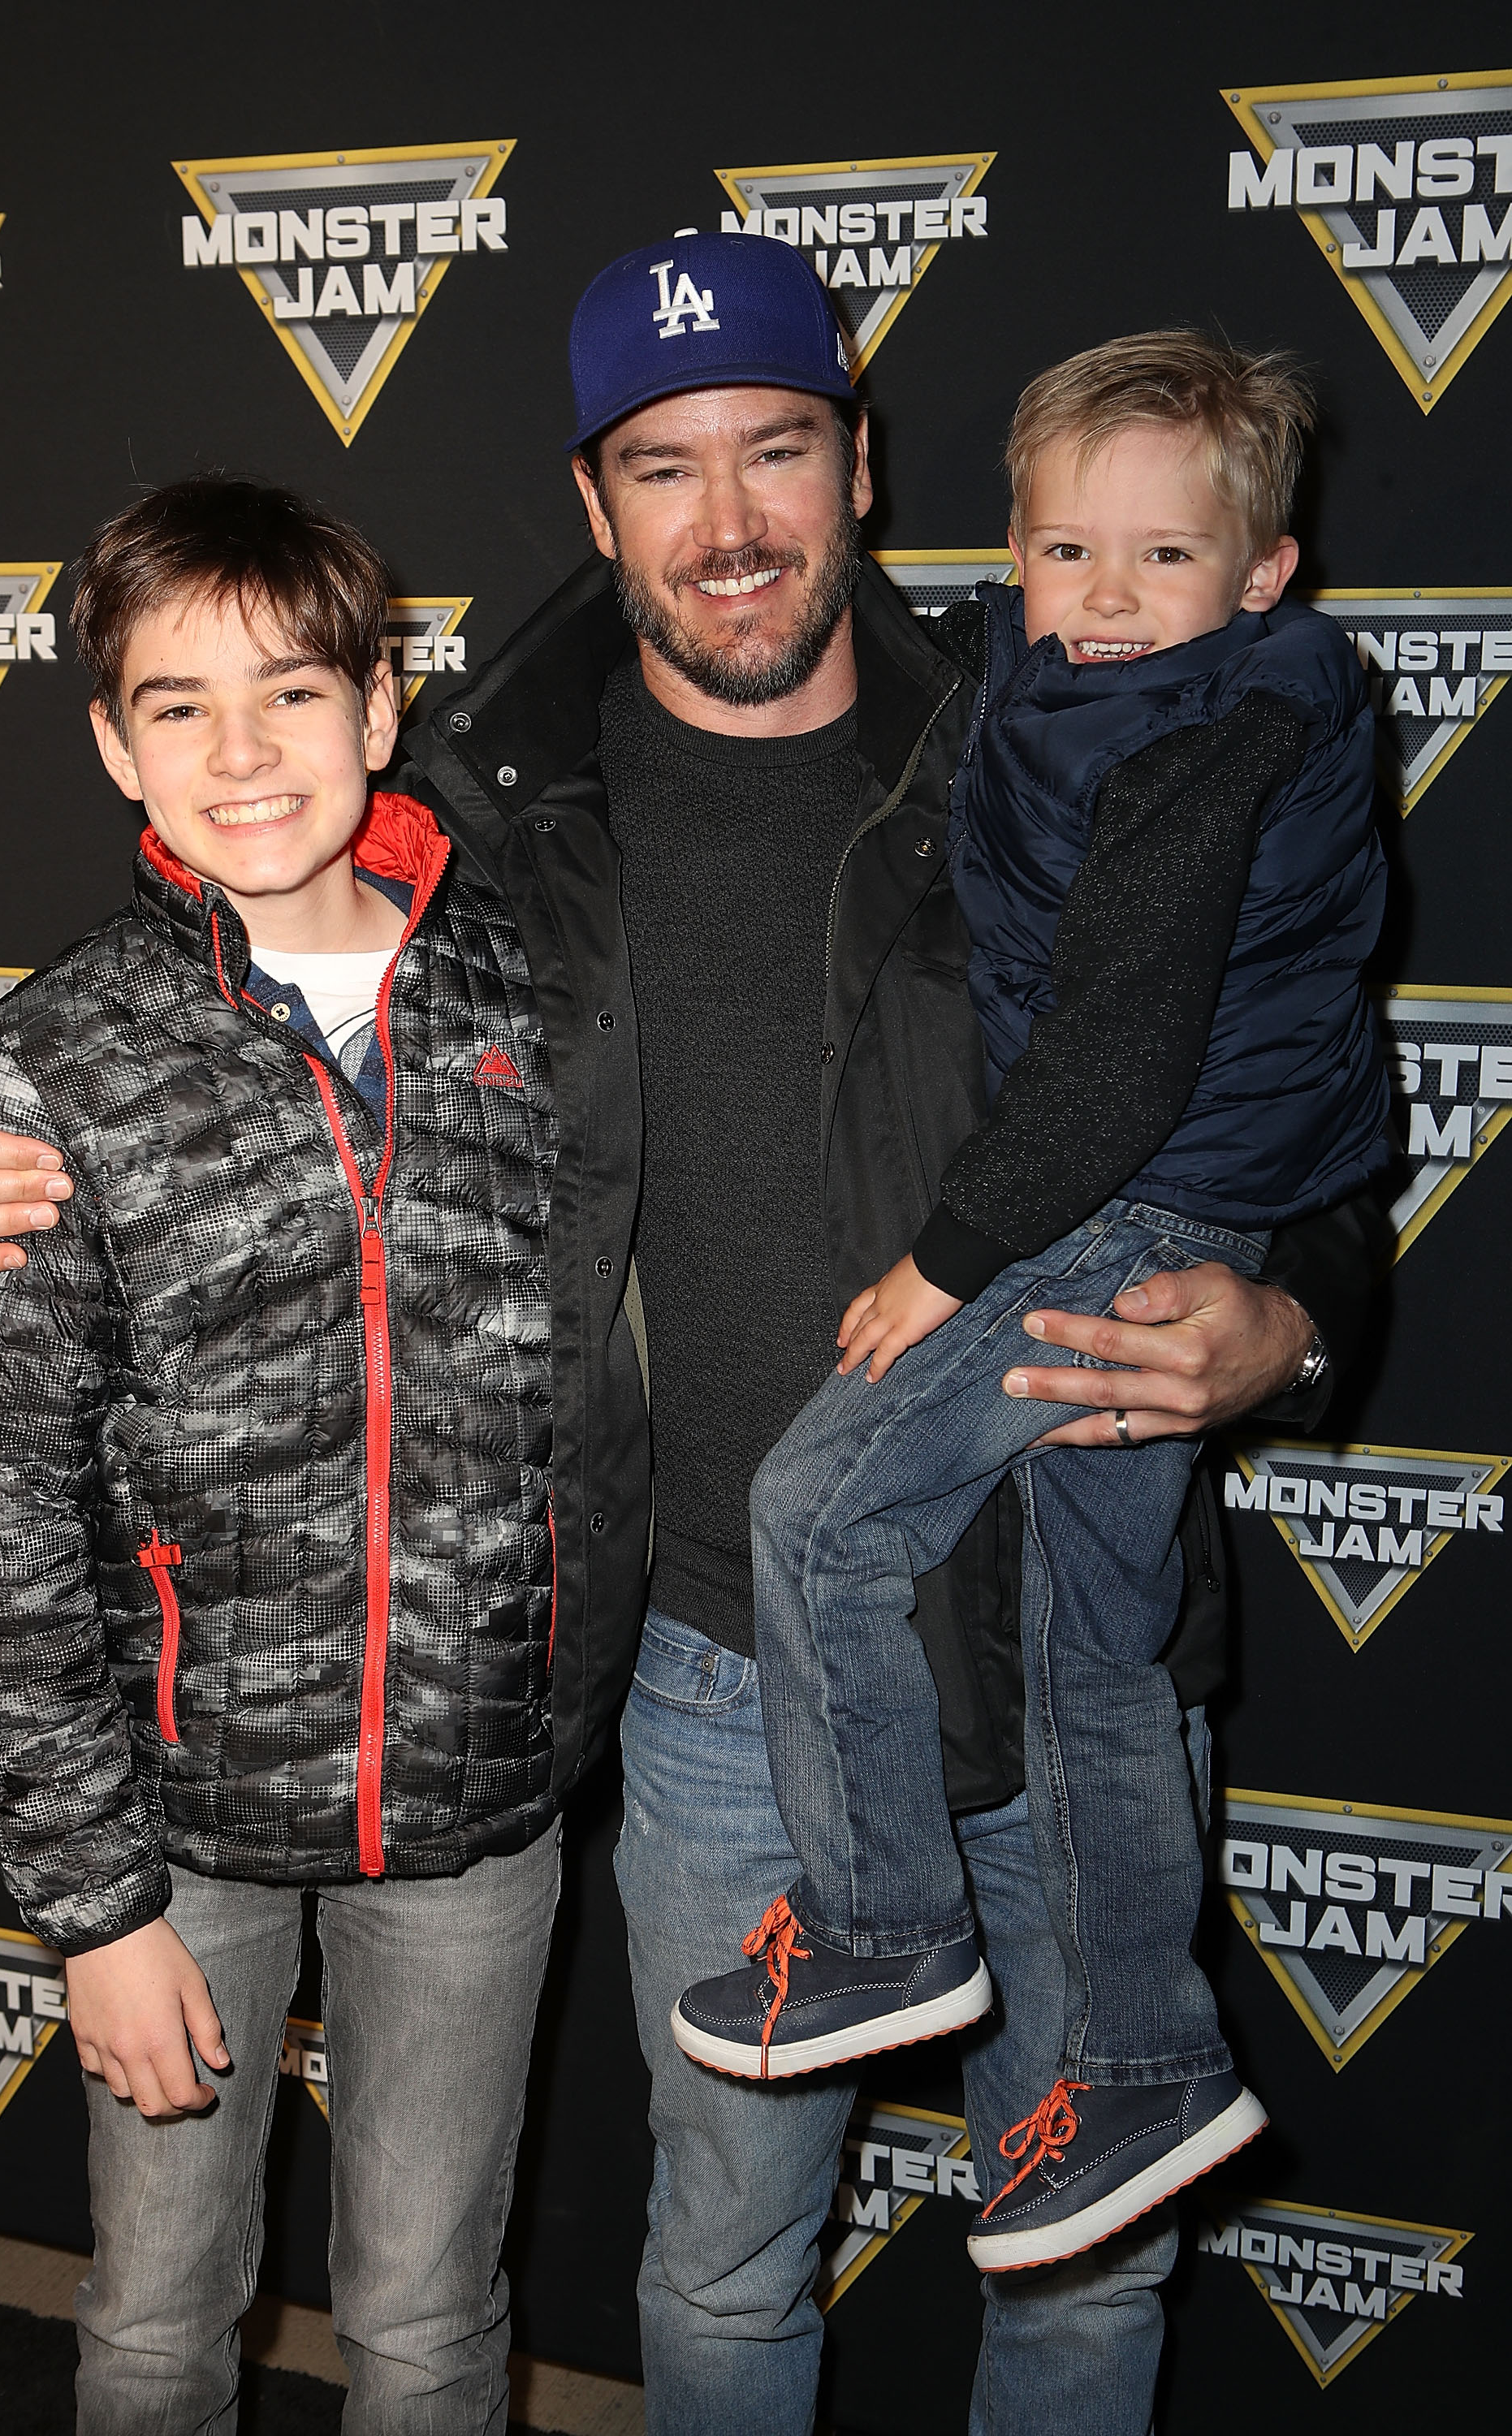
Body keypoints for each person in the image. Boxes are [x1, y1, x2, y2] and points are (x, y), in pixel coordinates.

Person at [0, 238, 1386, 2436]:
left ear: (859, 465)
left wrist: (1300, 1324)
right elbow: (234, 970)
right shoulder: (491, 808)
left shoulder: (1068, 726)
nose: (731, 520)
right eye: (663, 469)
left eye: (776, 448)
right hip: (711, 1682)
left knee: (1086, 2274)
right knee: (722, 2264)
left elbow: (1297, 1072)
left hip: (1067, 1611)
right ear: (594, 509)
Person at [0, 476, 642, 2436]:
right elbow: (1, 1531)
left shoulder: (538, 999)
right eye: (178, 707)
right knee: (159, 2322)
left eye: (293, 694)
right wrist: (98, 1912)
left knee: (427, 2323)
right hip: (180, 1840)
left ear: (383, 704)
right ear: (108, 744)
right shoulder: (51, 1064)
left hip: (475, 1813)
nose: (243, 756)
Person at [672, 335, 1389, 2274]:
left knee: (821, 1508)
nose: (1102, 600)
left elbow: (1127, 1055)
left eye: (1161, 560)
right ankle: (1149, 2056)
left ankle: (886, 1927)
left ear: (1265, 575)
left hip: (1119, 1211)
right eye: (1066, 553)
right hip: (1114, 1212)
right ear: (1009, 546)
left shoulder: (1212, 729)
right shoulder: (1025, 684)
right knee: (1100, 1652)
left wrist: (956, 1260)